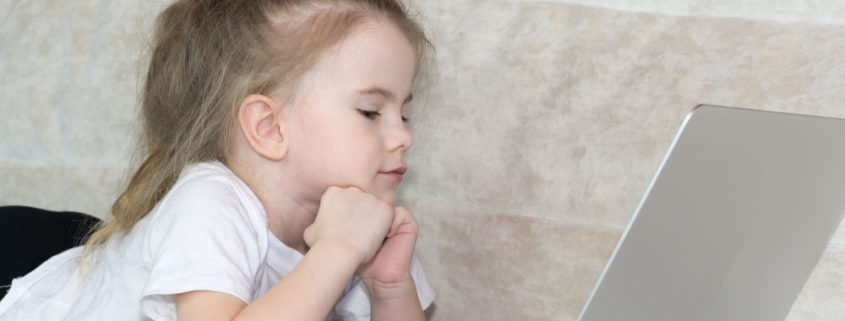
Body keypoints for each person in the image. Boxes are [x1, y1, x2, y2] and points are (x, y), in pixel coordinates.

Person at [0, 0, 435, 320]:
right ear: (269, 128)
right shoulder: (210, 200)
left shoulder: (361, 219)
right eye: (371, 112)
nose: (404, 135)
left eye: (404, 112)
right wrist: (337, 250)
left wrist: (389, 286)